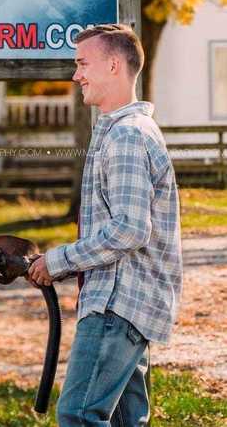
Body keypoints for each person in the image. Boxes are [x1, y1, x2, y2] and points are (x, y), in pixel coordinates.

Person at [27, 24, 183, 426]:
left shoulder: (127, 136)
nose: (76, 74)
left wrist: (59, 260)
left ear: (113, 65)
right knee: (126, 421)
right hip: (129, 305)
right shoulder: (123, 131)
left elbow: (131, 228)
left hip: (118, 303)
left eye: (83, 64)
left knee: (78, 416)